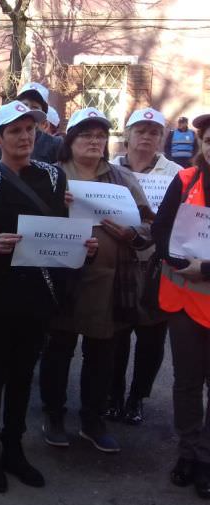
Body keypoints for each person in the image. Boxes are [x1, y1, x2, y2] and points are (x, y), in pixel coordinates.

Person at [0, 100, 98, 493]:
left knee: (22, 375)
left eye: (30, 129)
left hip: (38, 293)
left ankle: (14, 448)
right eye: (15, 131)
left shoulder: (53, 177)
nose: (25, 136)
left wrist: (81, 246)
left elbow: (60, 230)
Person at [40, 108, 151, 455]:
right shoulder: (52, 177)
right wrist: (57, 208)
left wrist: (133, 233)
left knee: (101, 353)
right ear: (70, 140)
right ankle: (54, 416)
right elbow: (31, 221)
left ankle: (92, 420)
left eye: (100, 136)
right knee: (58, 350)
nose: (94, 141)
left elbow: (150, 224)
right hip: (64, 278)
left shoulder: (120, 179)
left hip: (109, 282)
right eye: (86, 135)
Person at [106, 107, 182, 425]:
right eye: (140, 131)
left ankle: (138, 396)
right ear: (127, 135)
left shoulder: (177, 173)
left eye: (153, 132)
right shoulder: (108, 170)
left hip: (154, 264)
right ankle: (113, 395)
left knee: (151, 338)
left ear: (161, 139)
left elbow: (180, 221)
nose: (146, 137)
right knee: (115, 335)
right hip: (118, 262)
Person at [152, 113, 210, 500]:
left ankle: (206, 459)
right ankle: (187, 453)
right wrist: (178, 264)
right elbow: (161, 231)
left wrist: (206, 267)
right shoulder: (186, 179)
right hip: (185, 303)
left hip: (198, 285)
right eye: (209, 139)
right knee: (187, 384)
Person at [16, 82, 63, 164]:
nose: (28, 110)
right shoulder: (4, 137)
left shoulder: (55, 144)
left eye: (35, 107)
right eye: (24, 105)